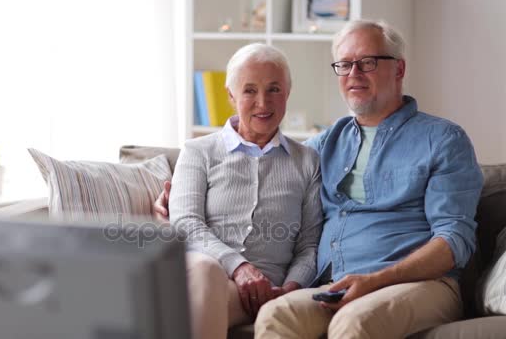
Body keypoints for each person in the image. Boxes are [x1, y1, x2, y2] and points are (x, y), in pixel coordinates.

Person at [155, 19, 484, 338]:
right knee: (276, 315)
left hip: (418, 285)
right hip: (334, 286)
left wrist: (376, 279)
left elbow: (454, 239)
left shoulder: (443, 140)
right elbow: (264, 161)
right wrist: (170, 202)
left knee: (354, 323)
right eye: (344, 64)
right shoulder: (324, 145)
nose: (354, 73)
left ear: (399, 69)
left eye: (367, 62)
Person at [168, 43, 323, 339]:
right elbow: (185, 223)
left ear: (288, 93)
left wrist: (289, 289)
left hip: (266, 289)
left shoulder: (307, 161)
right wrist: (239, 268)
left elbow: (309, 245)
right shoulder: (198, 151)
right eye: (250, 90)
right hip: (207, 273)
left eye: (274, 89)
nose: (263, 103)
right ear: (231, 95)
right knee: (206, 273)